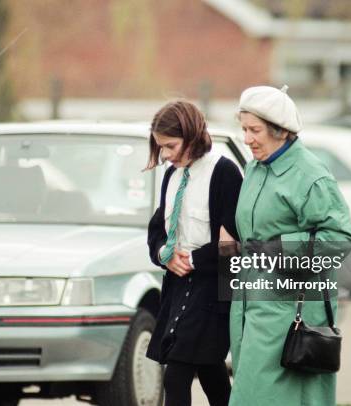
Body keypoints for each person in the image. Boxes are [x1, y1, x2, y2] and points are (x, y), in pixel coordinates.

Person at [229, 85, 351, 406]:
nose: (247, 139)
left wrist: (276, 249)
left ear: (281, 131)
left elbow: (340, 237)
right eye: (244, 129)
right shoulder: (256, 167)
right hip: (251, 304)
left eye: (254, 130)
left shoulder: (310, 174)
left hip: (291, 311)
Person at [145, 100, 242, 406]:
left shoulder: (224, 172)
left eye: (170, 146)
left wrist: (194, 260)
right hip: (178, 284)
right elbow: (157, 228)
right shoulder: (171, 175)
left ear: (192, 136)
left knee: (176, 372)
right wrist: (164, 254)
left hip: (212, 286)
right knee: (210, 369)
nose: (165, 155)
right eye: (161, 147)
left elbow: (235, 242)